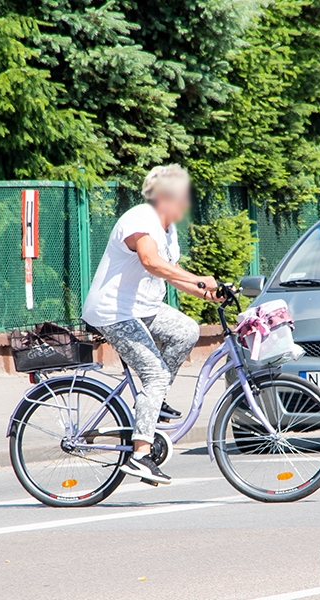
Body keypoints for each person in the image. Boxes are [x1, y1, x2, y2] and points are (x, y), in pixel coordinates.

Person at [82, 165, 217, 485]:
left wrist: (210, 293)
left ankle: (152, 402)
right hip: (114, 312)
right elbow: (150, 262)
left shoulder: (168, 230)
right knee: (154, 375)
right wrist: (197, 279)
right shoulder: (140, 219)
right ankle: (140, 456)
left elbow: (172, 272)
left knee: (188, 330)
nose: (186, 201)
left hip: (144, 308)